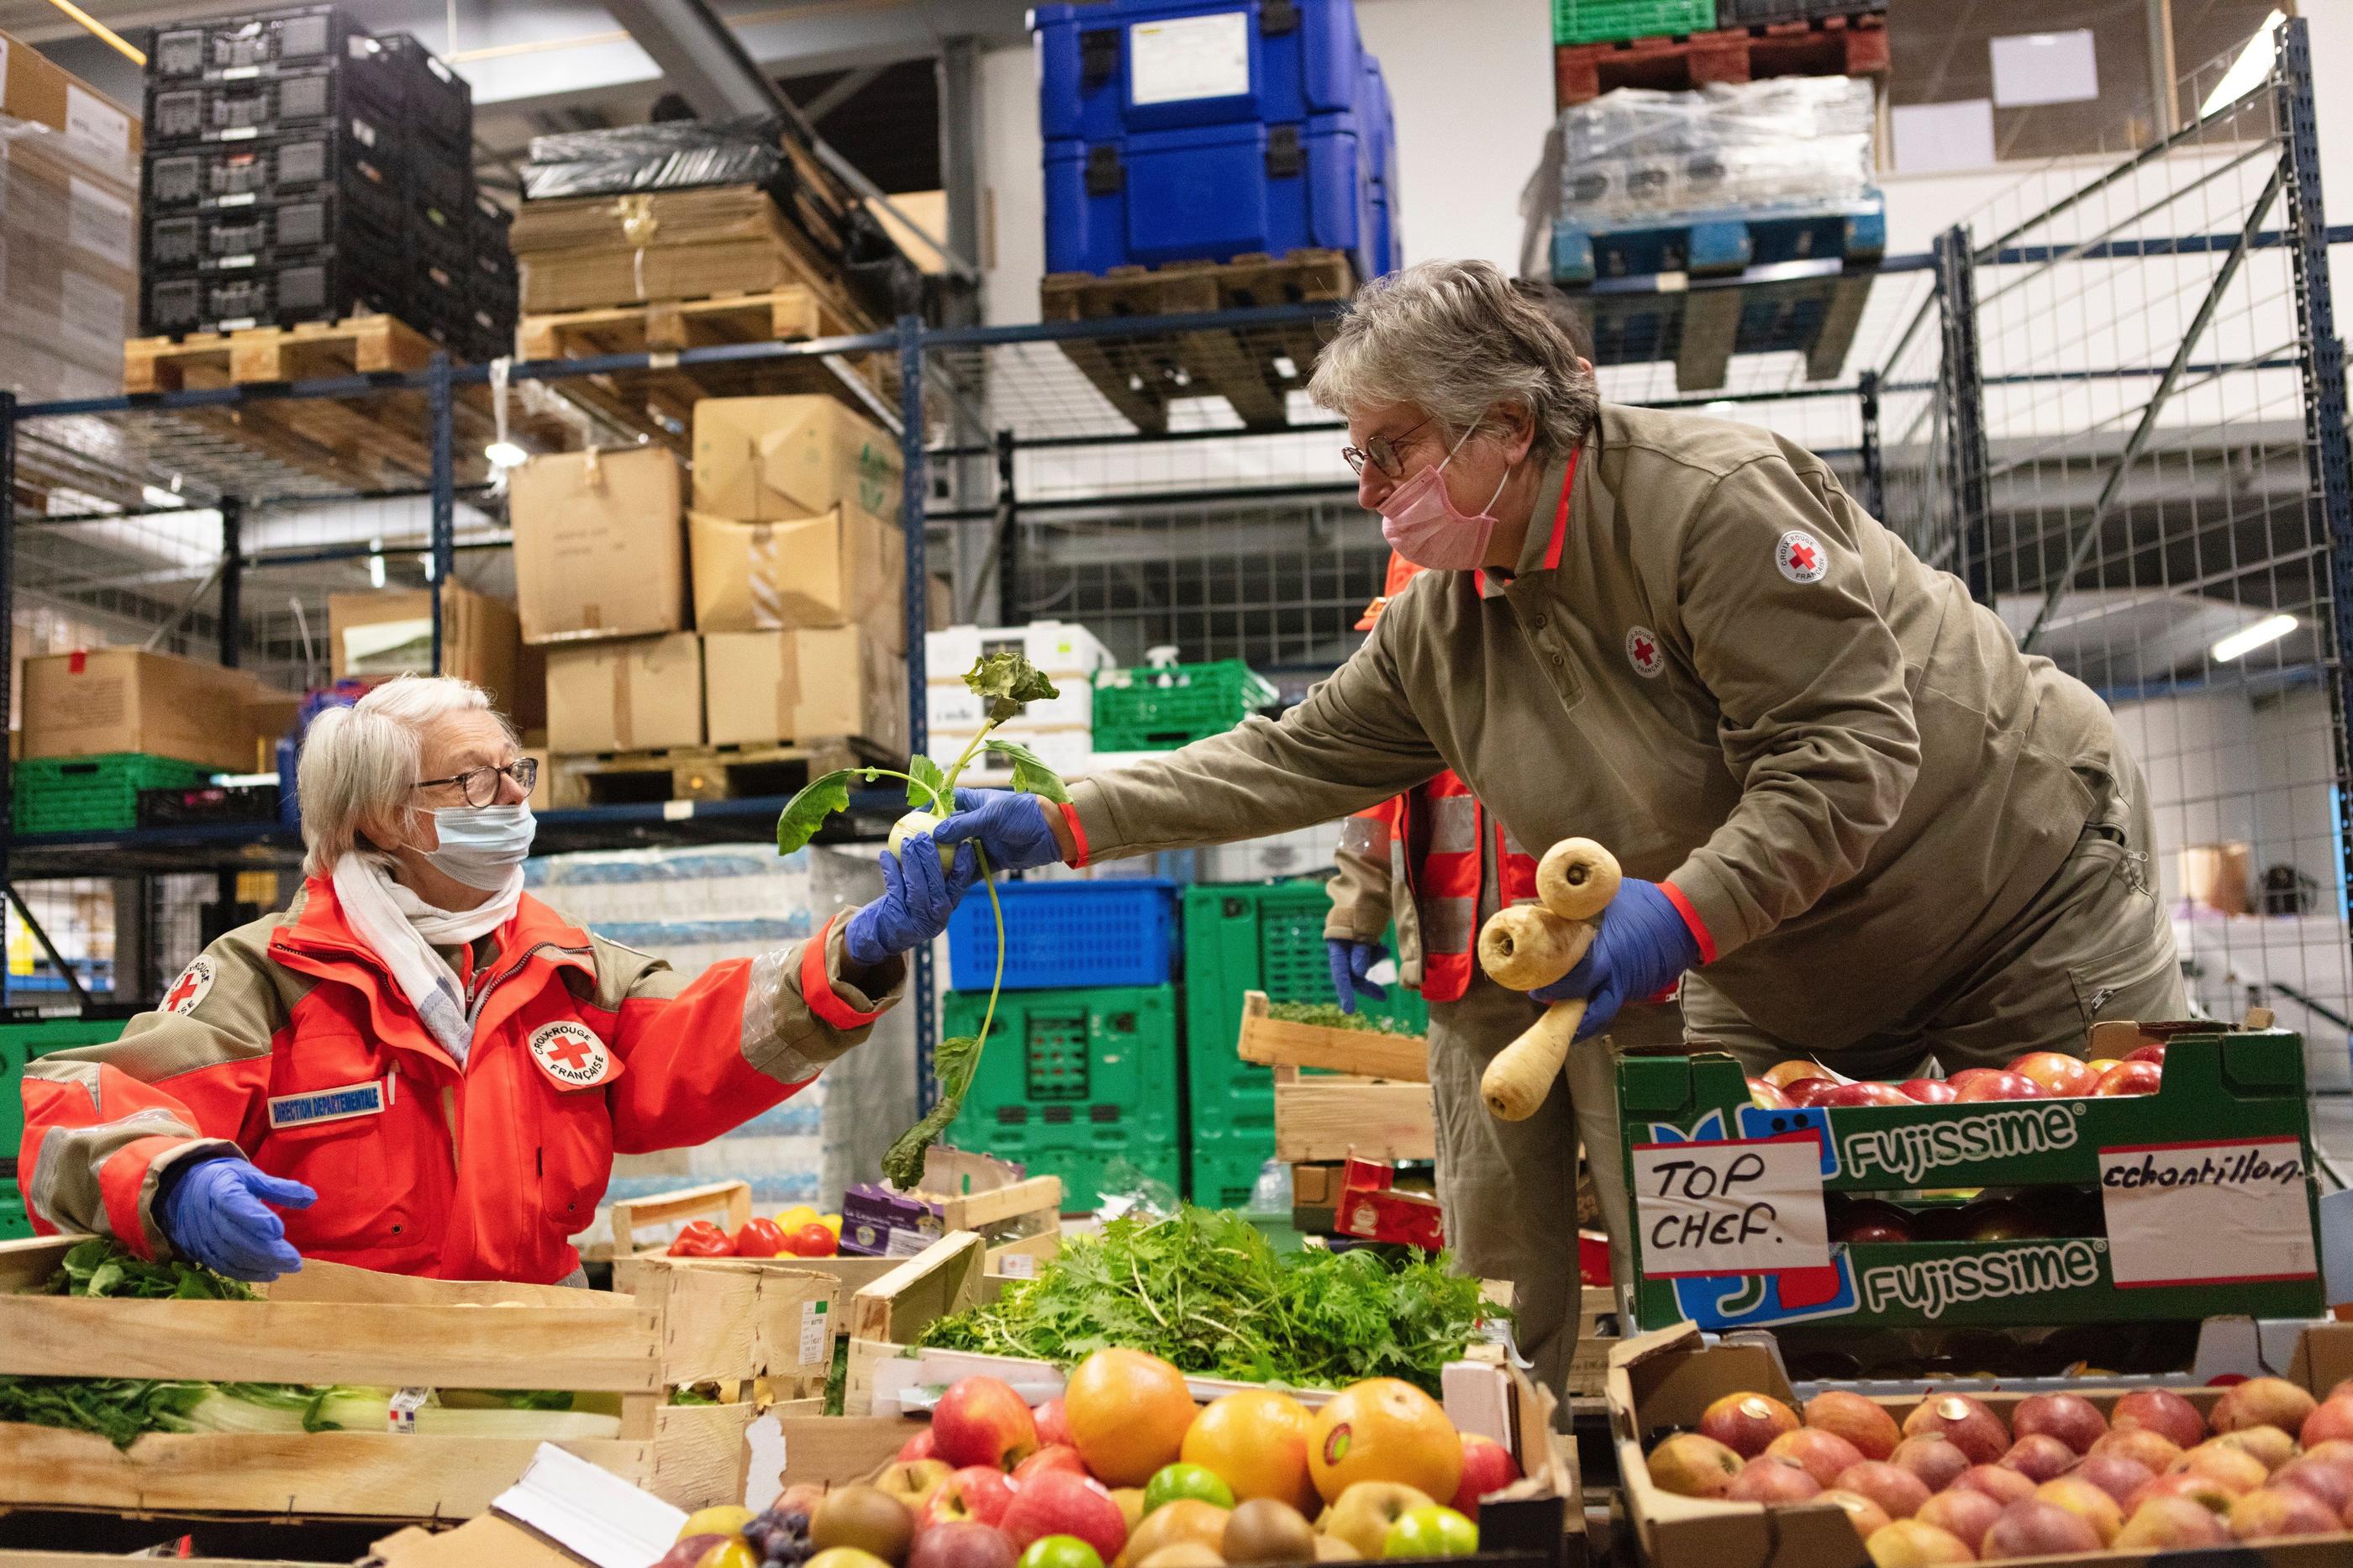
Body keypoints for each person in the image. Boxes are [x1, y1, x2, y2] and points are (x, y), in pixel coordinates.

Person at [932, 259, 2181, 1393]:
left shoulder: (1710, 503)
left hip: (2006, 893)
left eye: (1393, 450)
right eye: (1356, 456)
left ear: (1509, 429)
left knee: (2101, 1251)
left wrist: (1677, 914)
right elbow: (1290, 754)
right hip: (1775, 962)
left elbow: (1845, 757)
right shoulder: (1447, 623)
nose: (1368, 488)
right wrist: (1059, 824)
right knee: (1748, 1294)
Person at [18, 676, 972, 1285]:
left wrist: (856, 952)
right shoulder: (270, 977)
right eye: (474, 782)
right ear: (382, 818)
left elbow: (694, 1037)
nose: (515, 795)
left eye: (515, 770)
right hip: (332, 1390)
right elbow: (79, 1099)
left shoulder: (564, 969)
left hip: (539, 1374)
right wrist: (173, 1178)